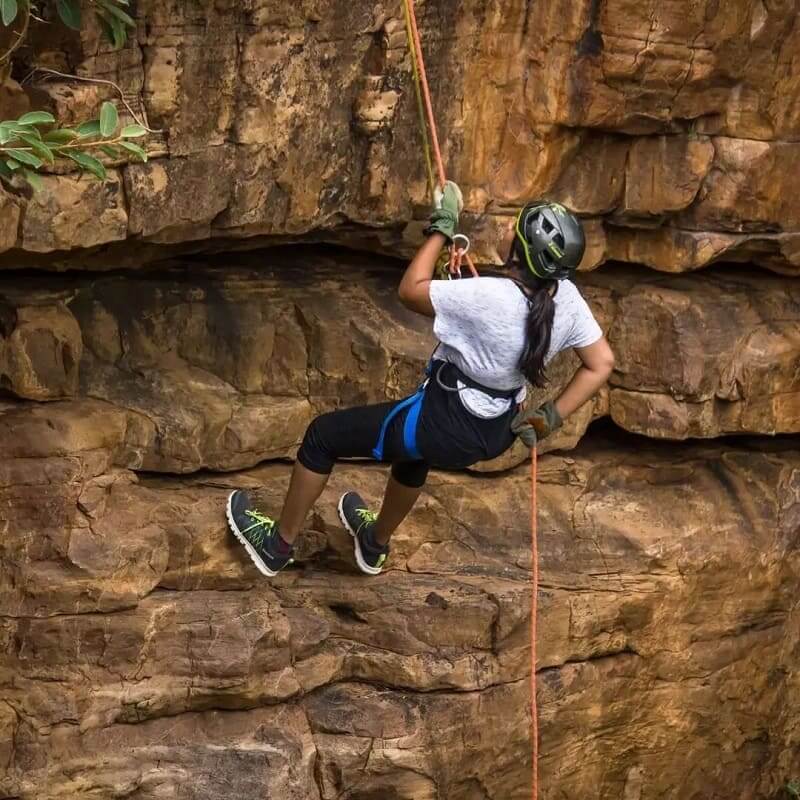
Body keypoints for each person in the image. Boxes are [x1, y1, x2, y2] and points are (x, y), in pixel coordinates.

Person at [225, 182, 614, 577]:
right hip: (496, 432)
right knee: (415, 455)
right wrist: (549, 418)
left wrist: (442, 229)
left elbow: (410, 291)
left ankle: (277, 546)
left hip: (443, 422)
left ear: (521, 249)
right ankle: (374, 544)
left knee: (322, 437)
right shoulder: (566, 299)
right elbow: (601, 362)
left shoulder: (491, 296)